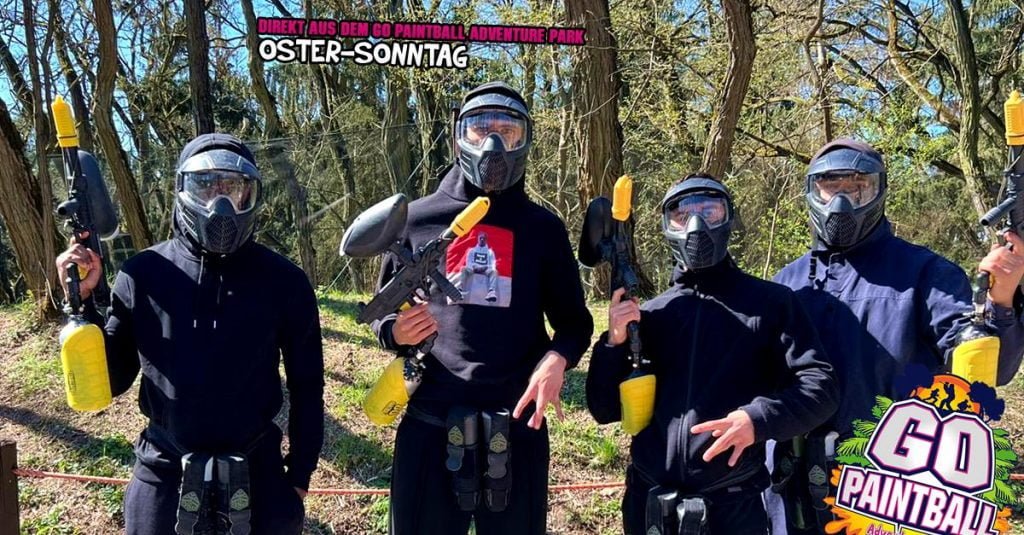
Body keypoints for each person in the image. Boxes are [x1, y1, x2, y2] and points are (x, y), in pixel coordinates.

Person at [55, 134, 324, 535]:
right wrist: (84, 304)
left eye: (233, 189)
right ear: (182, 190)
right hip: (164, 467)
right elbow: (112, 380)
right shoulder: (143, 274)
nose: (221, 203)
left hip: (257, 465)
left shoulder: (284, 281)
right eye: (206, 187)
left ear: (252, 195)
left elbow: (308, 384)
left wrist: (299, 475)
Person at [766, 138, 1024, 535]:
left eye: (858, 188)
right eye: (831, 187)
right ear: (812, 191)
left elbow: (987, 370)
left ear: (880, 191)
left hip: (889, 491)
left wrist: (1001, 302)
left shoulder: (926, 274)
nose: (843, 202)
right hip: (795, 490)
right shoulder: (787, 282)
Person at [372, 81, 593, 534]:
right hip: (430, 422)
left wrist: (557, 360)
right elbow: (381, 312)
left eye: (507, 132)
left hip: (516, 426)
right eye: (480, 130)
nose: (493, 144)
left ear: (525, 140)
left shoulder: (543, 229)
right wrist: (396, 332)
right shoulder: (415, 219)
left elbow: (575, 324)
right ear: (459, 137)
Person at [587, 173, 838, 534]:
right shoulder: (652, 314)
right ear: (666, 226)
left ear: (729, 218)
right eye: (682, 215)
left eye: (710, 211)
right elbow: (604, 409)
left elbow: (820, 388)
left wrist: (757, 420)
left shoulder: (771, 304)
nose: (696, 226)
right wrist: (614, 342)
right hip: (649, 502)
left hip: (733, 506)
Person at [460, 232, 499, 302]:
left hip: (485, 269)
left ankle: (491, 292)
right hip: (473, 268)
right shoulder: (472, 250)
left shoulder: (490, 252)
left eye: (484, 238)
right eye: (480, 238)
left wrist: (485, 267)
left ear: (486, 240)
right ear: (478, 239)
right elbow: (468, 262)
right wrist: (475, 267)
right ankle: (460, 290)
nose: (482, 239)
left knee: (494, 271)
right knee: (464, 269)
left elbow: (493, 264)